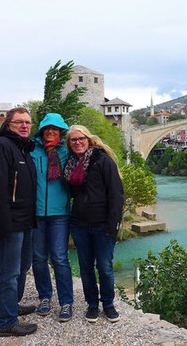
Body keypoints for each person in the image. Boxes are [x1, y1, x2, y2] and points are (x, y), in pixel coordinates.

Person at [0, 107, 38, 337]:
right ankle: (6, 323)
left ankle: (11, 306)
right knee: (9, 272)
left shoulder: (22, 148)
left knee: (23, 267)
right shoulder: (2, 146)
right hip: (10, 223)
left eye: (28, 122)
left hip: (25, 221)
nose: (24, 126)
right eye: (19, 122)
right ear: (8, 124)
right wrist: (2, 224)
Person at [64, 125, 124, 323]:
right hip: (80, 224)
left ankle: (108, 304)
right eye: (73, 140)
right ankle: (92, 304)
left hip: (102, 224)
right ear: (69, 144)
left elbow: (116, 194)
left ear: (88, 139)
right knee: (85, 267)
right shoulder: (71, 165)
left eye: (81, 138)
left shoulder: (103, 161)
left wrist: (113, 225)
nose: (78, 142)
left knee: (105, 267)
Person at [30, 113, 73, 321]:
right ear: (41, 130)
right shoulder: (32, 149)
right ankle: (45, 297)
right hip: (36, 213)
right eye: (47, 128)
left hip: (60, 213)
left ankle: (66, 302)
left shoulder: (67, 150)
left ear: (61, 131)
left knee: (60, 258)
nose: (50, 131)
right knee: (38, 258)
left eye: (54, 128)